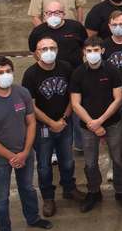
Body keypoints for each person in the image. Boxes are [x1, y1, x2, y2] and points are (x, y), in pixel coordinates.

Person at [0, 58, 53, 231]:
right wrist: (11, 157)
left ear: (13, 72)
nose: (5, 75)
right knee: (1, 197)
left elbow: (31, 123)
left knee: (28, 189)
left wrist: (25, 151)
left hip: (25, 153)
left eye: (8, 71)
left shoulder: (22, 93)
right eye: (0, 72)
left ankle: (33, 218)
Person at [21, 39, 85, 217]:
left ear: (57, 49)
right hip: (43, 126)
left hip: (65, 123)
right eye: (44, 49)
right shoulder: (30, 74)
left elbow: (74, 95)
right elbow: (31, 106)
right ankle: (48, 198)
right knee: (43, 165)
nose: (48, 51)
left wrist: (63, 119)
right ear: (37, 52)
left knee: (68, 160)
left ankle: (69, 189)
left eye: (51, 48)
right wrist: (51, 123)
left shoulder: (65, 68)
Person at [70, 37, 122, 213]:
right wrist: (93, 124)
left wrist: (101, 121)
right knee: (90, 163)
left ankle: (120, 191)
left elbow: (118, 98)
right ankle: (94, 192)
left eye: (95, 50)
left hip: (112, 124)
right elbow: (75, 103)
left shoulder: (112, 71)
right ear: (84, 52)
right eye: (88, 51)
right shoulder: (78, 73)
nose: (92, 54)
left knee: (118, 160)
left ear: (102, 51)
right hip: (88, 127)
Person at [28, 1, 88, 70]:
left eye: (57, 13)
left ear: (63, 14)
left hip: (75, 70)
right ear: (45, 15)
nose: (53, 16)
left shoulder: (76, 26)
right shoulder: (37, 31)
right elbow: (34, 51)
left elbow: (85, 46)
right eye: (49, 13)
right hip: (51, 72)